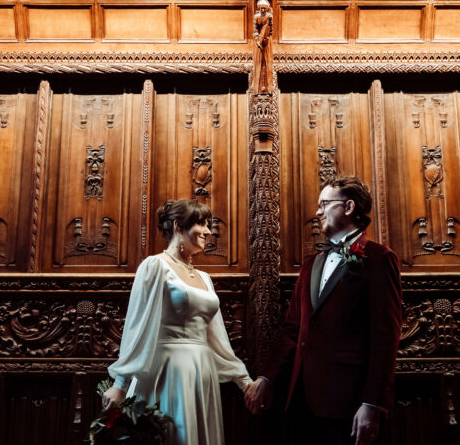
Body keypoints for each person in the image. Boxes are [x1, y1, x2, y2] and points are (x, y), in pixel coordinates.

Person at [246, 175, 402, 445]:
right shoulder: (312, 264)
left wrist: (373, 403)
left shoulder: (378, 259)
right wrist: (267, 377)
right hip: (302, 398)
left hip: (349, 401)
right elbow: (293, 328)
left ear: (349, 207)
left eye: (325, 204)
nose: (317, 212)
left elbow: (386, 337)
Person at [103, 199, 254, 445]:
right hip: (167, 372)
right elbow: (137, 327)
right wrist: (120, 384)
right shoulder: (155, 266)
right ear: (178, 226)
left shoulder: (205, 278)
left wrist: (244, 382)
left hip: (201, 372)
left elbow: (216, 338)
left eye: (208, 225)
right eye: (201, 224)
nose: (208, 231)